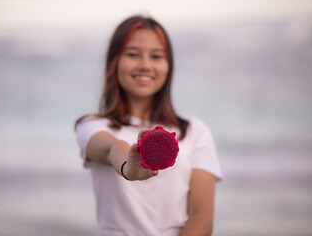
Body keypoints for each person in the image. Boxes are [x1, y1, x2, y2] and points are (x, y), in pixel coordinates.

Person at [75, 15, 222, 236]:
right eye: (133, 54)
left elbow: (202, 219)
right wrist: (128, 167)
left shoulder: (195, 130)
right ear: (114, 61)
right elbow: (111, 147)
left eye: (156, 56)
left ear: (168, 65)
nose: (145, 65)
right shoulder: (92, 125)